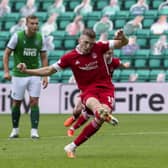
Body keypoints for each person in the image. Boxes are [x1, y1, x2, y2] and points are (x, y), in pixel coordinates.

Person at [17, 28, 128, 158]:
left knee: (101, 117)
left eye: (91, 44)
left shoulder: (99, 46)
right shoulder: (70, 57)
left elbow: (122, 43)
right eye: (86, 42)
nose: (88, 46)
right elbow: (49, 70)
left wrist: (123, 36)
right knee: (95, 105)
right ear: (79, 39)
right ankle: (101, 112)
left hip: (106, 88)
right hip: (88, 90)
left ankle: (72, 146)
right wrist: (27, 71)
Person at [64, 49, 130, 137]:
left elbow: (121, 64)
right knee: (78, 109)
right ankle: (74, 117)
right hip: (89, 88)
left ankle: (72, 129)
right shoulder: (95, 61)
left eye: (110, 54)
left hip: (103, 89)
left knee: (91, 112)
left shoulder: (113, 62)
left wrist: (125, 65)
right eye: (106, 53)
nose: (108, 56)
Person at [3, 15, 48, 139]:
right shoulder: (17, 36)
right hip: (18, 75)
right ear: (26, 24)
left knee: (34, 101)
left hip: (35, 74)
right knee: (16, 102)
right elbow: (6, 54)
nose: (35, 26)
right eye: (32, 23)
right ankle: (15, 130)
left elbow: (44, 57)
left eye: (36, 23)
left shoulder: (40, 37)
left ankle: (34, 131)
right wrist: (6, 72)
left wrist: (45, 76)